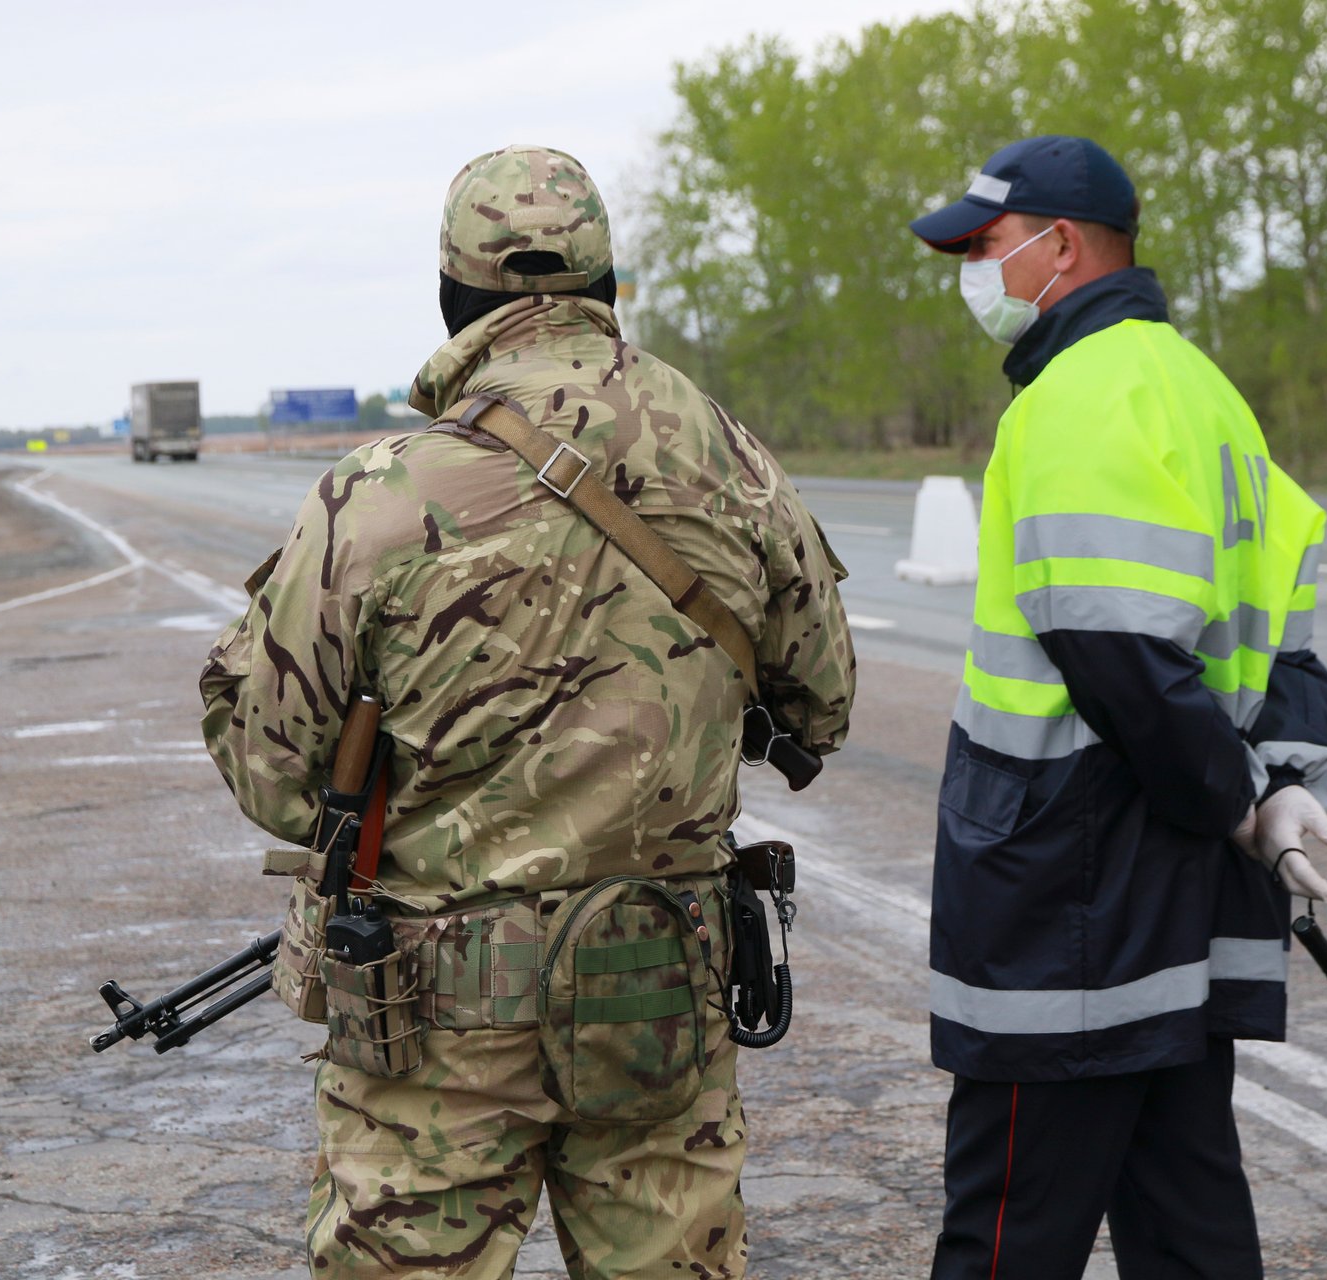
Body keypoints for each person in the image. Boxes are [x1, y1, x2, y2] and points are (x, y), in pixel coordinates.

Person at [200, 144, 855, 1279]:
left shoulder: (379, 492)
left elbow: (269, 767)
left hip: (430, 1033)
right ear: (608, 287)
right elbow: (823, 706)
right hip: (658, 993)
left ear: (452, 298)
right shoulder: (734, 458)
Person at [908, 135, 1327, 1279]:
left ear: (1060, 245)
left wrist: (1242, 795)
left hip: (1069, 898)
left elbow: (1117, 658)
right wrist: (1286, 775)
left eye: (986, 245)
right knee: (1188, 1222)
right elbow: (1284, 622)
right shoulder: (1205, 391)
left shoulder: (1077, 398)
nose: (973, 271)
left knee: (1008, 1232)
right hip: (1174, 905)